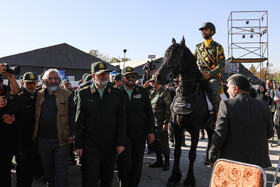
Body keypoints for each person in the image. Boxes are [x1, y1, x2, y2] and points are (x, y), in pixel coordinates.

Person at [74, 61, 126, 187]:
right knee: (90, 177)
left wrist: (121, 142)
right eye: (100, 74)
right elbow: (79, 121)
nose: (104, 76)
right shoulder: (83, 93)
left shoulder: (117, 93)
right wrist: (78, 144)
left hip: (110, 143)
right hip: (90, 143)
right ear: (93, 76)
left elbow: (121, 120)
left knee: (107, 177)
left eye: (106, 73)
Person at [208, 74, 273, 168]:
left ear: (236, 88)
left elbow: (220, 134)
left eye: (228, 88)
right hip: (258, 164)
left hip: (233, 162)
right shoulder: (263, 106)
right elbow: (270, 133)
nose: (227, 91)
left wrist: (211, 155)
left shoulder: (227, 104)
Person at [32, 69, 75, 187]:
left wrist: (71, 134)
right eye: (50, 79)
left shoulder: (68, 95)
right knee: (47, 169)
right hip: (43, 140)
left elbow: (72, 116)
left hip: (61, 139)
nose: (53, 81)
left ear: (59, 80)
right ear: (45, 81)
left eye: (56, 78)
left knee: (61, 169)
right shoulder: (39, 94)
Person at [117, 66, 155, 187]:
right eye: (128, 76)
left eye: (133, 76)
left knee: (137, 163)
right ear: (122, 78)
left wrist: (151, 131)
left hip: (139, 134)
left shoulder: (143, 92)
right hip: (123, 135)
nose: (131, 78)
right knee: (125, 163)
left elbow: (149, 113)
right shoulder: (116, 92)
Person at [4, 72, 39, 187]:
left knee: (30, 171)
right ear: (22, 82)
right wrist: (12, 121)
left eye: (33, 83)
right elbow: (8, 115)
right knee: (23, 171)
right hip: (21, 141)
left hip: (33, 140)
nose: (31, 85)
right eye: (28, 83)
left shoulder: (37, 96)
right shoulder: (19, 98)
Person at [193, 22, 226, 118]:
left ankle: (217, 117)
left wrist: (210, 74)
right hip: (199, 76)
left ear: (212, 32)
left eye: (205, 30)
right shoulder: (198, 48)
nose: (203, 31)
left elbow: (222, 65)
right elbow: (192, 61)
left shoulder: (218, 47)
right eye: (202, 30)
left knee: (214, 90)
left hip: (213, 77)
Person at [0, 63, 20, 187]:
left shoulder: (5, 85)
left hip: (5, 134)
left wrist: (11, 77)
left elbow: (16, 91)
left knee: (4, 169)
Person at [148, 75, 171, 171]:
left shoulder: (164, 93)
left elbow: (168, 109)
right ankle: (159, 160)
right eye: (152, 81)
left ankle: (167, 162)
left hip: (161, 122)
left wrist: (166, 123)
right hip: (153, 122)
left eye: (154, 81)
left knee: (163, 142)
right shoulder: (152, 92)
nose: (152, 83)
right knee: (155, 143)